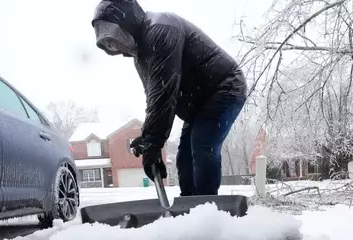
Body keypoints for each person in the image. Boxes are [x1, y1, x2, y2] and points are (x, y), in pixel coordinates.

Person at [91, 0, 247, 196]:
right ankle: (190, 210)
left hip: (224, 86)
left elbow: (165, 93)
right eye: (110, 43)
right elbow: (155, 98)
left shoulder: (161, 29)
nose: (117, 46)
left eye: (116, 36)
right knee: (184, 159)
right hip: (198, 102)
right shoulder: (141, 56)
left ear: (129, 21)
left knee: (202, 144)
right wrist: (148, 137)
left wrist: (154, 145)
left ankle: (208, 210)